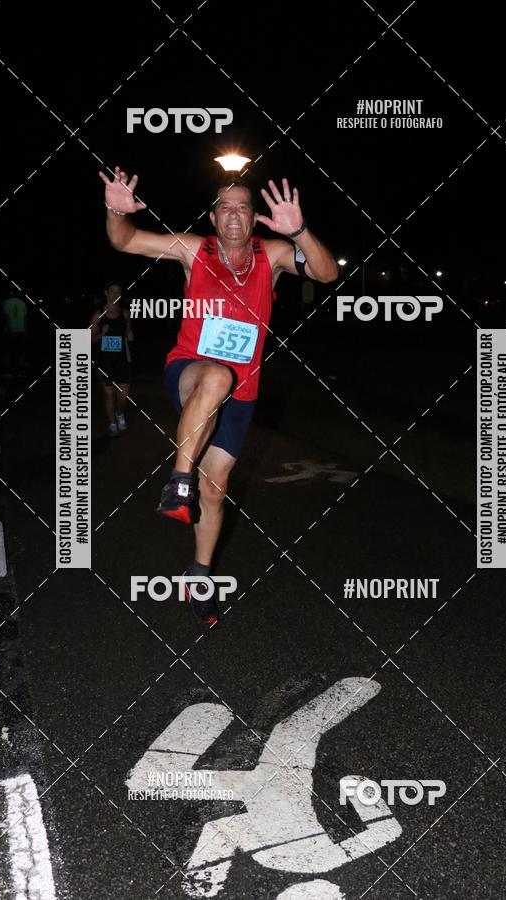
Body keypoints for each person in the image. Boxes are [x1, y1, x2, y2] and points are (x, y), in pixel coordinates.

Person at [99, 165, 338, 624]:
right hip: (189, 370)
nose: (233, 215)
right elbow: (125, 240)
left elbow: (326, 273)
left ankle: (199, 575)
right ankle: (177, 480)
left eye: (243, 208)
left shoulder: (273, 254)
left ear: (254, 220)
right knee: (215, 379)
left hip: (244, 390)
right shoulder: (194, 250)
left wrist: (301, 232)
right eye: (225, 207)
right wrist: (115, 209)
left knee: (216, 489)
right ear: (212, 217)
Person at [90, 280, 133, 437]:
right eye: (112, 291)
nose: (115, 294)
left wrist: (129, 336)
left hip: (121, 360)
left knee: (124, 395)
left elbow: (128, 334)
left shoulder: (125, 313)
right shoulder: (98, 314)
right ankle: (112, 423)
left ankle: (120, 413)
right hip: (104, 361)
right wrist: (101, 333)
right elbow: (89, 338)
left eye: (118, 291)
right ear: (106, 293)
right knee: (109, 394)